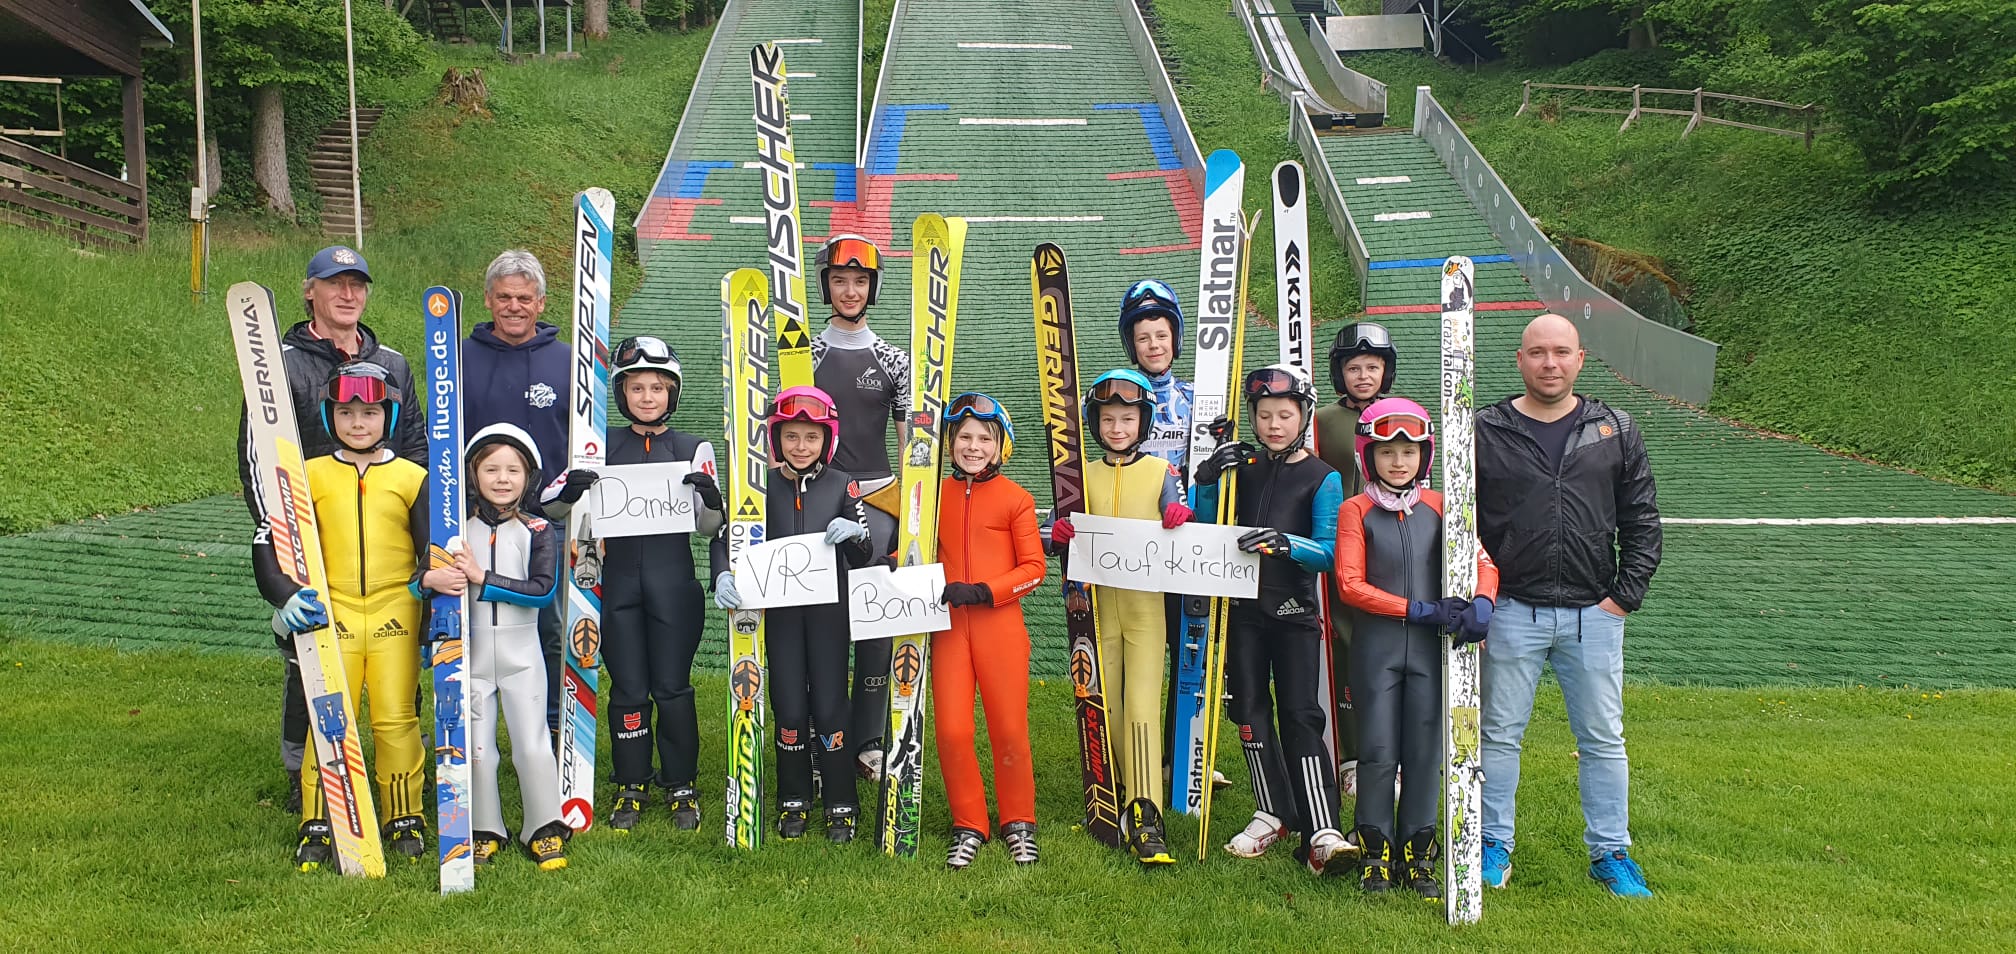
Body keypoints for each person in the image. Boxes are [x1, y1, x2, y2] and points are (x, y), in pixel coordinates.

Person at [1474, 313, 1663, 898]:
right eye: (1537, 352)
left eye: (1561, 352)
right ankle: (1491, 844)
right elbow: (1462, 521)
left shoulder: (1615, 428)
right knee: (1499, 734)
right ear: (1520, 360)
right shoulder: (1487, 428)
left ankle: (1611, 853)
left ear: (1581, 359)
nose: (1549, 363)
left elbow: (1642, 520)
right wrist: (1483, 594)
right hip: (1511, 610)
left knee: (1603, 738)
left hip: (1593, 616)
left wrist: (1621, 598)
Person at [237, 245, 424, 814]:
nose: (348, 295)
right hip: (312, 533)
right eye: (334, 283)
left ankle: (399, 792)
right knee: (310, 669)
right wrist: (280, 542)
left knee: (396, 677)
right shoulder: (282, 361)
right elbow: (256, 456)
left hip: (385, 534)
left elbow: (414, 442)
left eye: (357, 285)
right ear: (309, 290)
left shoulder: (390, 362)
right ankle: (305, 778)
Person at [546, 336, 726, 833]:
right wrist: (570, 489)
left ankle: (682, 782)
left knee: (671, 688)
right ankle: (631, 781)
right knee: (628, 688)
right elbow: (551, 506)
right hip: (617, 586)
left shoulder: (693, 447)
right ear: (621, 393)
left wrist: (711, 499)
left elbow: (711, 526)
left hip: (674, 586)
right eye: (637, 388)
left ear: (674, 393)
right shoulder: (598, 445)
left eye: (658, 388)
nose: (648, 397)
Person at [254, 361, 429, 870]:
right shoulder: (305, 475)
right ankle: (320, 817)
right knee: (329, 717)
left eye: (370, 412)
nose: (358, 423)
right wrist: (285, 595)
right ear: (330, 417)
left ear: (389, 416)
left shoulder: (411, 477)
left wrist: (433, 606)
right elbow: (267, 541)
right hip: (331, 613)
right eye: (347, 412)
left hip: (396, 607)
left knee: (396, 716)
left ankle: (403, 814)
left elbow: (431, 553)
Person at [1333, 398, 1499, 896]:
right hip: (1377, 650)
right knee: (1379, 750)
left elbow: (1482, 559)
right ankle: (1375, 850)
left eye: (1409, 451)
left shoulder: (1444, 506)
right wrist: (1418, 610)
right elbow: (1349, 584)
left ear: (1425, 456)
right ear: (1368, 456)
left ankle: (1419, 850)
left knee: (1425, 751)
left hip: (1432, 652)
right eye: (1386, 452)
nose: (1398, 462)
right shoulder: (1355, 509)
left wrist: (1484, 603)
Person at [1192, 365, 1350, 876]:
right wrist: (1208, 478)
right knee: (1250, 713)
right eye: (1264, 415)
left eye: (1285, 414)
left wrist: (1286, 545)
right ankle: (1271, 811)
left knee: (1302, 714)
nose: (1274, 424)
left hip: (1294, 612)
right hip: (1243, 610)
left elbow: (1329, 553)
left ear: (1304, 415)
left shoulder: (1323, 476)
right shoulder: (1245, 466)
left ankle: (1321, 827)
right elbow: (1205, 522)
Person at [713, 387, 883, 842]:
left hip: (830, 616)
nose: (801, 446)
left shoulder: (842, 484)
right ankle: (794, 798)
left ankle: (841, 802)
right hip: (781, 619)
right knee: (788, 705)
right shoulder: (759, 487)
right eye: (791, 437)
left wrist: (853, 532)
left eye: (811, 436)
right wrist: (720, 575)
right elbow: (723, 540)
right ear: (776, 439)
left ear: (826, 439)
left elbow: (866, 552)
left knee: (830, 706)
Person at [1047, 369, 1189, 865]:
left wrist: (1179, 520)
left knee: (1143, 705)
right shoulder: (1080, 474)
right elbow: (1050, 534)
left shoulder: (1160, 474)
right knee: (1102, 702)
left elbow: (1181, 522)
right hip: (1095, 608)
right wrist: (1058, 533)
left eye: (1128, 419)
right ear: (1095, 422)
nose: (1117, 428)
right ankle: (1110, 790)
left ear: (1142, 422)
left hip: (1146, 607)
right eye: (1108, 419)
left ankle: (1146, 810)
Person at [418, 423, 569, 870]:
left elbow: (542, 591)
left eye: (513, 470)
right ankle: (484, 828)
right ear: (473, 474)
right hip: (471, 655)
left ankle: (544, 827)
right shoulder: (455, 529)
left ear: (529, 477)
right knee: (478, 749)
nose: (502, 479)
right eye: (491, 469)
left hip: (523, 657)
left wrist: (482, 578)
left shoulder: (539, 529)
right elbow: (417, 580)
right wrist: (429, 579)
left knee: (533, 745)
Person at [931, 393, 1046, 869]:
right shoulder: (933, 492)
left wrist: (984, 591)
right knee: (952, 730)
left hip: (999, 625)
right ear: (950, 442)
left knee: (1009, 729)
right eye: (964, 437)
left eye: (984, 438)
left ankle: (1018, 821)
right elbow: (911, 553)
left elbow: (1035, 568)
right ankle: (969, 822)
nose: (973, 446)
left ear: (1001, 446)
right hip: (948, 629)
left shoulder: (1016, 498)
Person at [462, 250, 573, 740]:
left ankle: (549, 726)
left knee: (549, 625)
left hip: (548, 518)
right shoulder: (459, 358)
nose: (513, 307)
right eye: (503, 297)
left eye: (523, 298)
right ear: (488, 299)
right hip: (475, 517)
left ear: (541, 302)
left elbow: (585, 443)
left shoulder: (567, 360)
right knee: (473, 623)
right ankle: (470, 729)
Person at [809, 233, 908, 783]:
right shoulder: (804, 353)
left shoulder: (891, 358)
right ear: (827, 285)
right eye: (841, 280)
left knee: (874, 624)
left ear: (872, 288)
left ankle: (869, 741)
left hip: (877, 499)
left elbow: (908, 440)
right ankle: (826, 741)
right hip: (820, 499)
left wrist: (911, 512)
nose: (851, 290)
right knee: (823, 621)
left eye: (861, 281)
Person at [1311, 321, 1401, 795]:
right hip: (1340, 550)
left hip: (1389, 547)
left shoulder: (1402, 416)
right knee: (1342, 647)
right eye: (1353, 367)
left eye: (1373, 366)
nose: (1363, 375)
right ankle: (1349, 757)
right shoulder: (1321, 422)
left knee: (1388, 648)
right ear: (1338, 371)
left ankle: (1390, 752)